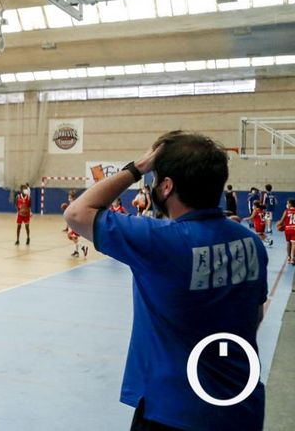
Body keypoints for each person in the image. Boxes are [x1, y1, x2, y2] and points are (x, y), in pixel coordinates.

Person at [64, 130, 267, 431]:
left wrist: (138, 167)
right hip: (241, 407)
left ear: (167, 186)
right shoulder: (251, 243)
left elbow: (77, 213)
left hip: (173, 411)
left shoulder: (159, 241)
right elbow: (257, 313)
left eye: (158, 179)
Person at [276, 199, 295, 264]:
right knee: (294, 244)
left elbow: (281, 222)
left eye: (287, 203)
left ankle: (289, 257)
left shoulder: (286, 211)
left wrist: (278, 225)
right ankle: (293, 259)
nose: (287, 204)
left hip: (288, 230)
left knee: (288, 243)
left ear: (290, 204)